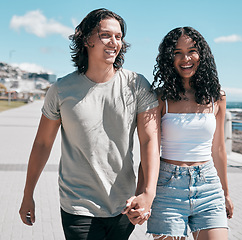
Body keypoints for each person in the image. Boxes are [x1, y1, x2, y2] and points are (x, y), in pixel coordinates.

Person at [19, 8, 160, 240]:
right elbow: (43, 144)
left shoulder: (137, 85)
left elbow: (150, 140)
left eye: (119, 37)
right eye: (105, 35)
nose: (114, 42)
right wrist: (28, 194)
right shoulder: (61, 90)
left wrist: (147, 193)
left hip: (123, 204)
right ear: (86, 40)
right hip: (78, 205)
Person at [145, 27, 234, 240]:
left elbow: (219, 149)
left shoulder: (217, 97)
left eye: (192, 50)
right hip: (168, 187)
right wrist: (145, 192)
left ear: (201, 54)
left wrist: (226, 193)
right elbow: (149, 147)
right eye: (177, 52)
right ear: (169, 58)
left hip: (209, 186)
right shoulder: (160, 97)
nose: (185, 58)